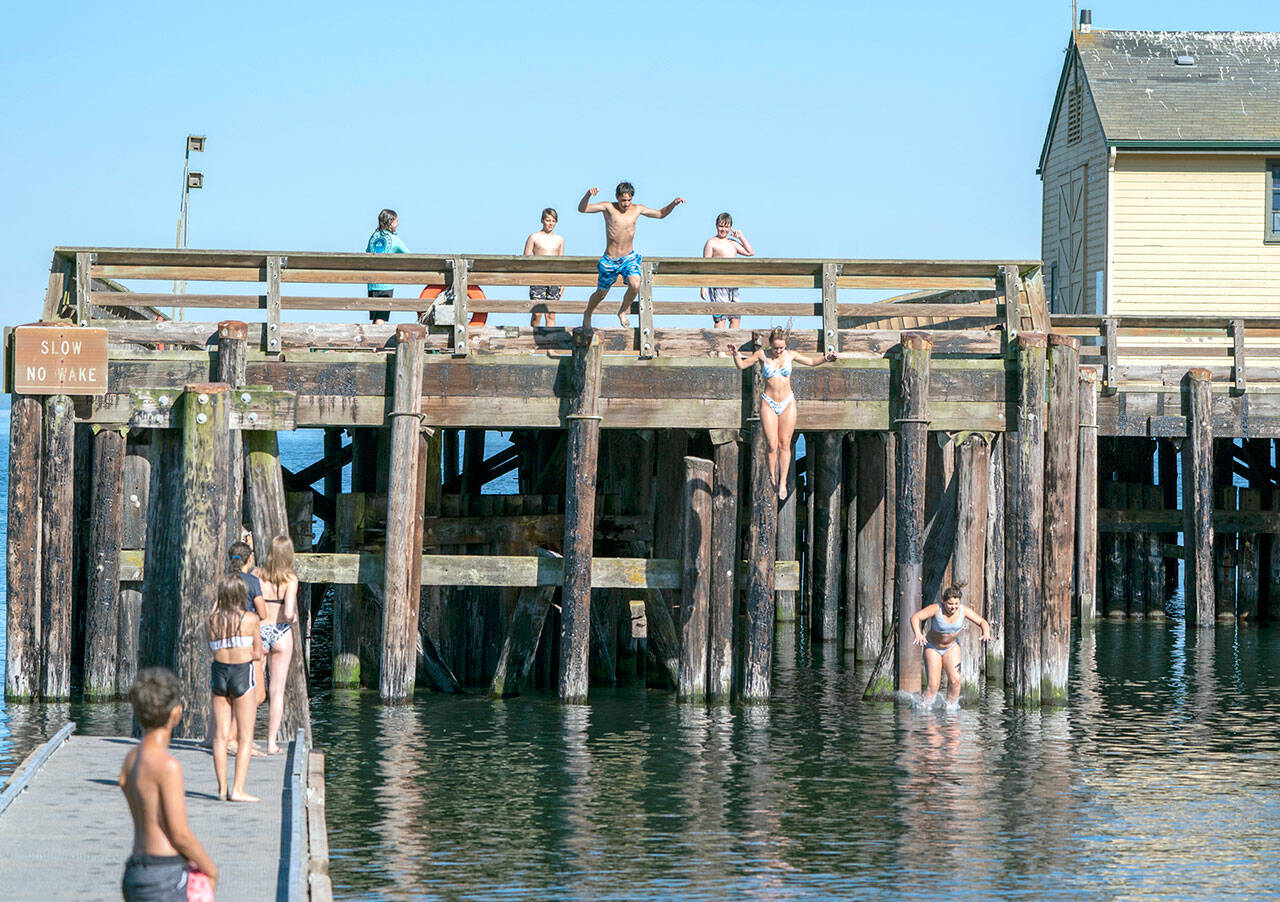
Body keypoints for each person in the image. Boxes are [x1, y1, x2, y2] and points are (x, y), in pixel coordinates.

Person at [119, 667, 218, 900]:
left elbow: (127, 788)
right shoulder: (168, 766)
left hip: (135, 871)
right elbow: (179, 834)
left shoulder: (131, 759)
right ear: (176, 713)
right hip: (164, 873)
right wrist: (210, 868)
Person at [727, 326, 836, 500]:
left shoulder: (790, 355)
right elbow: (741, 365)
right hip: (768, 403)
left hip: (787, 402)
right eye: (776, 347)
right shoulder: (762, 355)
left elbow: (811, 362)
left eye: (781, 348)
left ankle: (783, 481)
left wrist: (826, 358)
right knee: (772, 444)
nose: (778, 351)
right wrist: (735, 354)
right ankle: (772, 476)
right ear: (770, 344)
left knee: (785, 444)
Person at [579, 182, 685, 328]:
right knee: (601, 293)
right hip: (609, 260)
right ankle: (588, 313)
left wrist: (673, 204)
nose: (626, 204)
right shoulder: (608, 207)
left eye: (629, 200)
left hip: (628, 258)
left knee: (635, 284)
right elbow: (582, 209)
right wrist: (588, 195)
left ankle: (622, 311)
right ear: (617, 197)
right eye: (623, 200)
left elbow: (660, 214)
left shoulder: (637, 209)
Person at [208, 574, 263, 802]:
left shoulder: (212, 620)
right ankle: (238, 789)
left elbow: (211, 648)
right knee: (245, 736)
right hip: (241, 672)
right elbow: (258, 653)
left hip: (219, 674)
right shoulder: (250, 619)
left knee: (220, 737)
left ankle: (221, 788)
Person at [910, 585, 994, 706]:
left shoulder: (963, 610)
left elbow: (982, 622)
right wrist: (918, 633)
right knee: (934, 685)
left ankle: (951, 708)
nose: (953, 607)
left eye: (956, 604)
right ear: (943, 602)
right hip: (933, 648)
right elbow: (916, 617)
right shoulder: (936, 608)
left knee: (955, 681)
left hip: (951, 648)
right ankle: (924, 708)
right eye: (950, 604)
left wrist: (986, 633)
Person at [254, 535, 299, 755]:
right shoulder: (290, 579)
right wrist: (294, 619)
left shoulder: (257, 574)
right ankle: (271, 743)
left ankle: (247, 738)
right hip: (280, 632)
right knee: (277, 691)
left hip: (260, 630)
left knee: (253, 687)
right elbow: (289, 612)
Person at [702, 212, 754, 329]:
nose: (723, 229)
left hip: (733, 283)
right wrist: (703, 286)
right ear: (716, 226)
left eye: (726, 227)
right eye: (721, 226)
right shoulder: (711, 242)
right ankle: (719, 345)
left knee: (735, 317)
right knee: (721, 318)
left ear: (730, 228)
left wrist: (741, 237)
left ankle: (732, 345)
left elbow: (750, 252)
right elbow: (704, 265)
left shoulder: (733, 243)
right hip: (717, 283)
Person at [365, 208, 408, 324]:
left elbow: (367, 252)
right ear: (390, 222)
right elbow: (409, 255)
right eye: (396, 221)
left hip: (372, 283)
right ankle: (375, 339)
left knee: (375, 316)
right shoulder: (395, 240)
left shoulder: (373, 237)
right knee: (381, 316)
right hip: (386, 282)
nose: (398, 224)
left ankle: (373, 337)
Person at [523, 207, 565, 328]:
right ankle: (533, 343)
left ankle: (550, 346)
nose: (550, 223)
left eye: (553, 221)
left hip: (554, 279)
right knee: (537, 313)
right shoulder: (534, 237)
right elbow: (525, 259)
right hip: (537, 278)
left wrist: (563, 283)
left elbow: (562, 262)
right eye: (548, 220)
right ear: (542, 220)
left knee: (551, 314)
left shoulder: (559, 239)